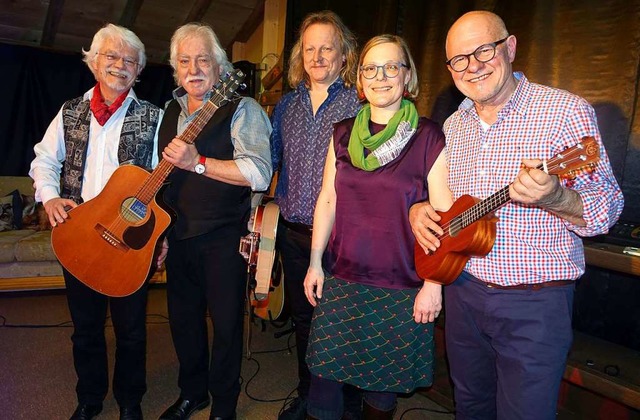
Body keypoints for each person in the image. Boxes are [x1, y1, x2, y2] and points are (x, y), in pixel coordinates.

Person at [409, 11, 624, 420]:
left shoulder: (564, 112)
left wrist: (556, 196)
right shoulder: (453, 127)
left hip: (534, 305)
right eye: (459, 59)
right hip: (464, 292)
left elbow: (607, 208)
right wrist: (419, 209)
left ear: (509, 47)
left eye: (483, 50)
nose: (473, 66)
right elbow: (445, 202)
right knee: (470, 405)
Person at [303, 34, 451, 420]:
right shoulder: (341, 133)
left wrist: (433, 284)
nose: (380, 76)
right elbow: (328, 200)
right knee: (323, 382)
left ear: (407, 76)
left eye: (391, 67)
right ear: (360, 78)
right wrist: (315, 262)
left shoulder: (428, 137)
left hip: (400, 285)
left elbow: (444, 217)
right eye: (371, 68)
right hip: (342, 277)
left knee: (381, 395)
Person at [29, 24, 163, 420]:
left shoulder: (153, 116)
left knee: (131, 331)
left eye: (130, 61)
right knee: (85, 329)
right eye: (112, 56)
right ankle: (89, 399)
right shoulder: (70, 110)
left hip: (128, 239)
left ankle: (129, 401)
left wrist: (158, 237)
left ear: (138, 72)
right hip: (79, 235)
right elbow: (43, 160)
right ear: (94, 61)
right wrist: (50, 198)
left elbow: (161, 180)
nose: (120, 66)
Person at [157, 23, 272, 420]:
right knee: (183, 323)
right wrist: (162, 232)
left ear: (219, 66)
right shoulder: (169, 111)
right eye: (185, 61)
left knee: (226, 328)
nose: (194, 68)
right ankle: (193, 393)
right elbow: (163, 179)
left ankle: (223, 405)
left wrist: (199, 163)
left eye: (203, 59)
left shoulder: (243, 109)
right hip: (180, 237)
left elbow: (258, 172)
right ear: (175, 70)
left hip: (225, 236)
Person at [269, 10, 362, 420]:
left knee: (343, 326)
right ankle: (308, 398)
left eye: (328, 48)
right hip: (292, 235)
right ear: (299, 56)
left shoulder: (359, 105)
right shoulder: (285, 106)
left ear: (344, 56)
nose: (318, 56)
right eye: (310, 49)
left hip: (341, 238)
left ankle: (347, 404)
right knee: (304, 323)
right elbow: (269, 162)